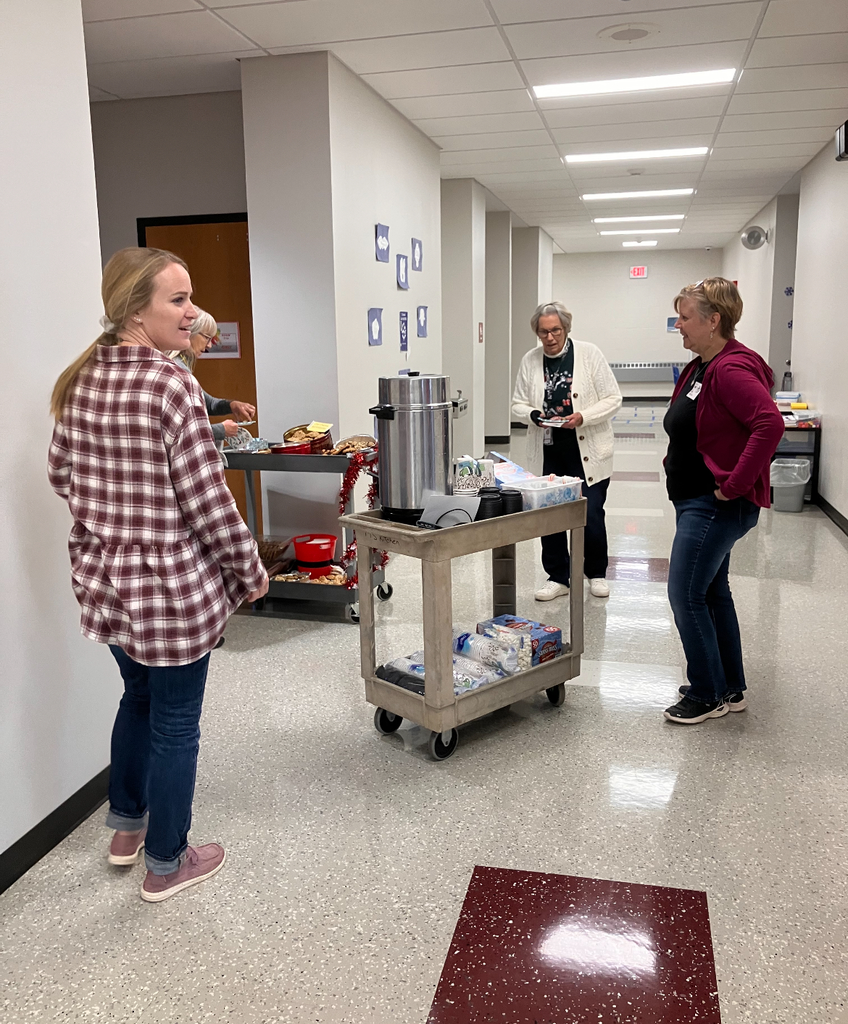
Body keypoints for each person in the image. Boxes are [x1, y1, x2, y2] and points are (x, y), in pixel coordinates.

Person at [48, 247, 268, 901]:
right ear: (134, 310)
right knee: (175, 723)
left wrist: (113, 517)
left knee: (137, 700)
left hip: (104, 581)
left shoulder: (82, 379)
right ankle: (168, 863)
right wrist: (250, 569)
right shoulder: (170, 385)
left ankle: (127, 830)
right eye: (179, 299)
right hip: (168, 590)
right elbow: (207, 502)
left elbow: (61, 475)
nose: (193, 312)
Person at [662, 277, 784, 725]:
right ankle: (728, 686)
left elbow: (769, 424)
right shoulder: (703, 365)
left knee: (685, 594)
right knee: (713, 592)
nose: (678, 325)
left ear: (714, 320)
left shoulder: (730, 369)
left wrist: (734, 485)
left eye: (685, 317)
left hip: (713, 505)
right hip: (697, 500)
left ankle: (706, 694)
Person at [512, 301, 622, 600]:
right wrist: (533, 414)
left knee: (591, 512)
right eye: (543, 332)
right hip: (548, 450)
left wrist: (583, 417)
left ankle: (596, 572)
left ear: (566, 328)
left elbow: (613, 399)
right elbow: (517, 403)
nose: (550, 338)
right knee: (549, 515)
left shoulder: (589, 354)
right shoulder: (530, 360)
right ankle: (558, 576)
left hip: (587, 450)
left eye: (556, 330)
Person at [173, 308, 255, 442]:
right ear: (189, 332)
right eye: (207, 338)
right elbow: (182, 432)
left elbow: (208, 403)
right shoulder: (178, 370)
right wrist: (221, 430)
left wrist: (232, 405)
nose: (209, 346)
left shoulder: (181, 366)